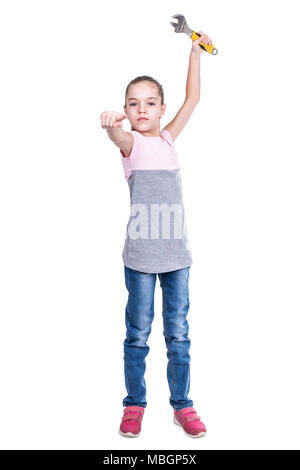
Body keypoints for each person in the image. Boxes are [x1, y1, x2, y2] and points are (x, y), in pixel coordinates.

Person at [100, 31, 212, 439]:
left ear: (162, 110)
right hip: (142, 261)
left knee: (178, 334)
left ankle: (182, 405)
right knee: (137, 335)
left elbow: (194, 99)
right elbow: (117, 137)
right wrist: (111, 125)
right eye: (133, 104)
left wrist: (195, 52)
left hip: (177, 258)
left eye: (150, 103)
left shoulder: (167, 139)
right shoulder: (129, 144)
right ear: (126, 112)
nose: (141, 109)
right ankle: (134, 404)